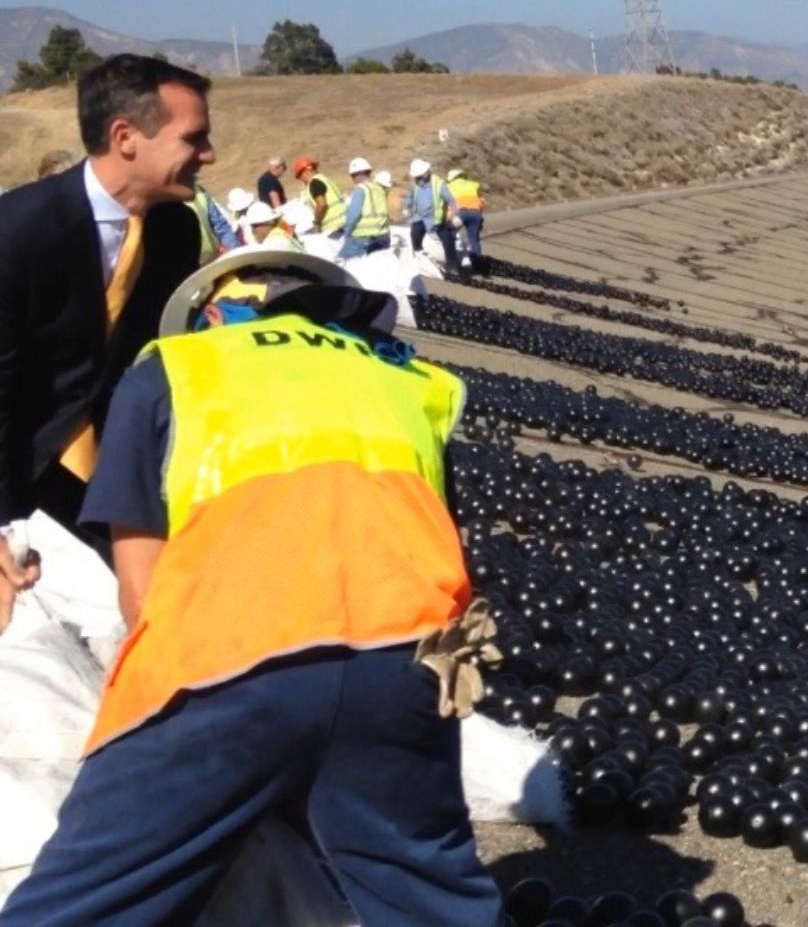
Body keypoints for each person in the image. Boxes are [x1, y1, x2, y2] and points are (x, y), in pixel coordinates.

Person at [0, 248, 503, 925]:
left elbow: (141, 585)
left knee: (90, 897)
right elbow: (445, 543)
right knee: (425, 892)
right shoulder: (411, 379)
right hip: (405, 659)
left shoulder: (175, 370)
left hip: (225, 661)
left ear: (212, 311)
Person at [0, 55, 211, 636]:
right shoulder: (17, 234)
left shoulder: (174, 230)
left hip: (114, 459)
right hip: (21, 461)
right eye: (194, 138)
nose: (209, 154)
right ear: (125, 138)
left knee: (161, 602)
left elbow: (151, 356)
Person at [406, 158, 460, 273]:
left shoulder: (439, 184)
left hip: (437, 220)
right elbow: (409, 199)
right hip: (420, 218)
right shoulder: (414, 184)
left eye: (421, 176)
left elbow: (452, 201)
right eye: (417, 177)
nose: (419, 179)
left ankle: (452, 265)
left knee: (448, 239)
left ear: (427, 172)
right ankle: (418, 255)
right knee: (415, 233)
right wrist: (407, 209)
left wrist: (453, 213)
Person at [338, 158, 391, 258]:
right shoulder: (380, 189)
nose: (352, 179)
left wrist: (347, 232)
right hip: (383, 238)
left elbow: (353, 214)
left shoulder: (361, 189)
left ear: (358, 174)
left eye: (352, 176)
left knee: (343, 263)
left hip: (363, 240)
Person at [292, 155, 346, 237]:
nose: (301, 180)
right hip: (345, 221)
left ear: (306, 172)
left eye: (300, 176)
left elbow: (321, 204)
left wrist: (317, 221)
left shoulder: (314, 182)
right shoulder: (325, 179)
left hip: (334, 227)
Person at [188, 181, 241, 263]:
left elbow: (222, 228)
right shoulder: (163, 203)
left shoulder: (200, 192)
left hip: (216, 260)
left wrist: (233, 253)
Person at [447, 167, 487, 270]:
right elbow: (482, 201)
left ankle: (454, 260)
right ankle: (477, 263)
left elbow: (446, 204)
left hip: (459, 213)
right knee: (474, 239)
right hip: (475, 213)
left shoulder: (448, 186)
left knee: (451, 235)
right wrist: (479, 216)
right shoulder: (474, 185)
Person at [238, 198, 303, 251]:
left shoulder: (274, 243)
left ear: (268, 223)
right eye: (251, 226)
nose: (252, 230)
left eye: (255, 226)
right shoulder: (278, 234)